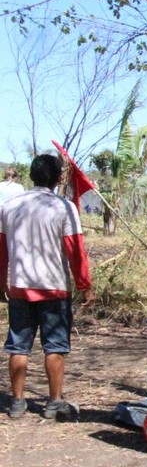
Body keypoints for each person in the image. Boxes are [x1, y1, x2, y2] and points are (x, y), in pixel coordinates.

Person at [1, 154, 94, 420]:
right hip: (54, 288)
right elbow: (75, 250)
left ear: (31, 175)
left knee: (18, 346)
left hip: (20, 286)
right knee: (55, 347)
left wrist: (1, 283)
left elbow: (1, 250)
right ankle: (54, 402)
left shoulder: (10, 206)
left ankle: (17, 403)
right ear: (58, 178)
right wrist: (84, 285)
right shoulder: (64, 208)